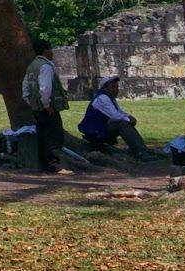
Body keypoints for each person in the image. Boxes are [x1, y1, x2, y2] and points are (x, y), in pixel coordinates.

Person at [78, 76, 159, 160]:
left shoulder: (109, 98)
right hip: (95, 133)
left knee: (124, 122)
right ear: (105, 88)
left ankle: (142, 149)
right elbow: (115, 116)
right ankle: (140, 152)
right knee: (122, 124)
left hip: (101, 130)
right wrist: (128, 119)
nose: (116, 90)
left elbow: (120, 112)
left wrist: (129, 116)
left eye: (117, 87)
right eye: (113, 87)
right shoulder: (102, 98)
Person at [22, 38, 71, 174]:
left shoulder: (32, 66)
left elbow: (25, 87)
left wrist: (31, 102)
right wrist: (46, 105)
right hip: (48, 108)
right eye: (50, 49)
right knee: (54, 135)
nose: (52, 53)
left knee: (42, 135)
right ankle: (54, 165)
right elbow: (45, 89)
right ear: (46, 51)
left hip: (36, 107)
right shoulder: (46, 66)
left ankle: (44, 164)